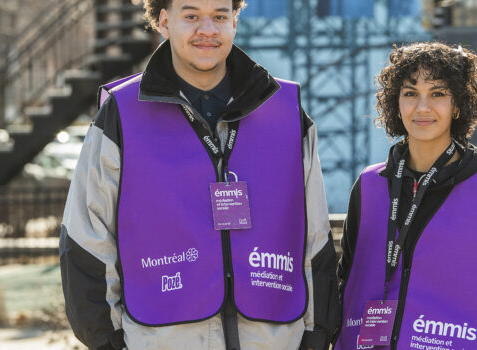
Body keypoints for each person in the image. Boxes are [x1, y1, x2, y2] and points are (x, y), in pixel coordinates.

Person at [59, 0, 339, 349]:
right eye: (191, 16)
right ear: (164, 21)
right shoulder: (120, 114)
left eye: (220, 16)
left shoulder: (286, 111)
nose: (207, 29)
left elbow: (316, 238)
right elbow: (86, 239)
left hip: (274, 339)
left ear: (235, 21)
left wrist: (315, 336)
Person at [334, 42, 477, 349]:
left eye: (438, 94)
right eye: (410, 93)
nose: (422, 107)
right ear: (395, 103)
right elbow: (345, 280)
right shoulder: (369, 185)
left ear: (457, 105)